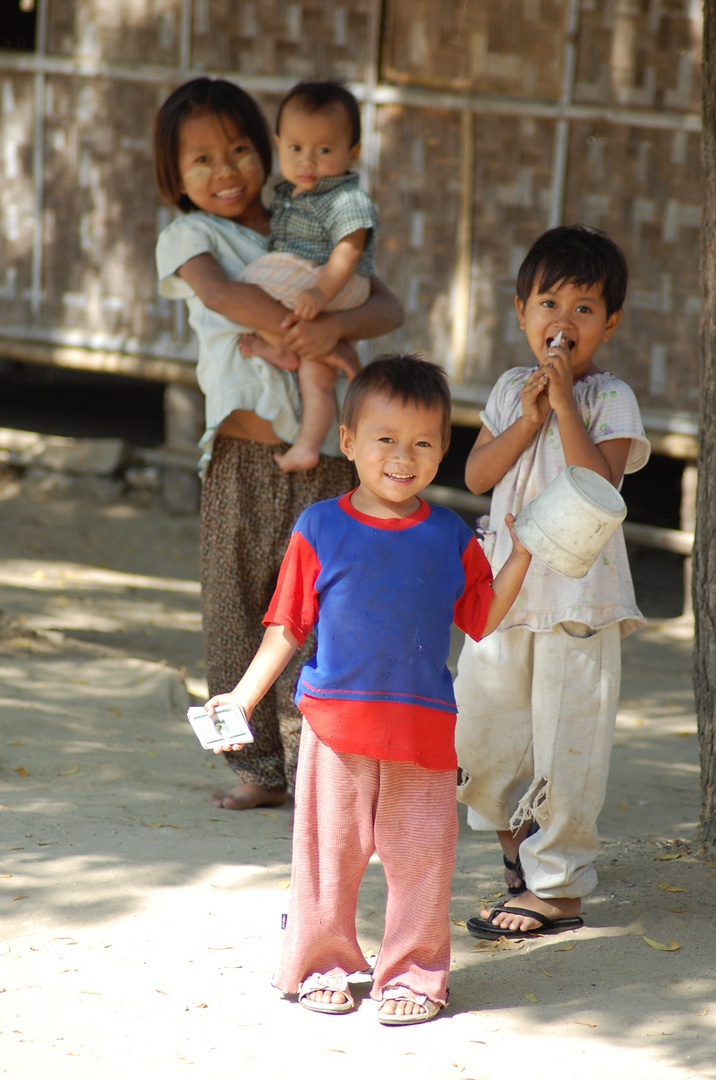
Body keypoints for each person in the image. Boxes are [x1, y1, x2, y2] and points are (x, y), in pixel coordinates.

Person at [203, 355, 532, 1024]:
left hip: (424, 736)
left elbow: (480, 618)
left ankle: (413, 975)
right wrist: (240, 697)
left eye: (422, 442)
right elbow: (285, 630)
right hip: (334, 733)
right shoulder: (319, 527)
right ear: (348, 441)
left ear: (443, 449)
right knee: (328, 860)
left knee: (422, 866)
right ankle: (321, 963)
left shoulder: (450, 537)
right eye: (385, 439)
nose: (403, 457)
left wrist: (521, 558)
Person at [153, 77, 403, 812]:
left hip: (325, 459)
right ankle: (260, 767)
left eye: (237, 151)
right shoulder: (189, 235)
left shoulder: (310, 218)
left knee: (326, 614)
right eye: (200, 160)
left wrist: (334, 326)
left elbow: (385, 304)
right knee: (237, 608)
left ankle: (321, 766)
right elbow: (225, 296)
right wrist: (305, 331)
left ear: (268, 155)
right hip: (238, 457)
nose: (223, 171)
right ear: (175, 177)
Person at [453, 225, 651, 939]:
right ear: (520, 312)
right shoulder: (511, 389)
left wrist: (565, 403)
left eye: (585, 309)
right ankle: (517, 858)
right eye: (549, 303)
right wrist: (529, 413)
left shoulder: (611, 398)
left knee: (569, 742)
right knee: (483, 733)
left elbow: (596, 481)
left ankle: (559, 887)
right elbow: (477, 476)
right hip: (504, 599)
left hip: (578, 603)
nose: (563, 323)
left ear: (611, 324)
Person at [237, 79, 380, 474]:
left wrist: (319, 292)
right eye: (296, 149)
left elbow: (349, 249)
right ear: (278, 142)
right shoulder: (290, 193)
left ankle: (283, 346)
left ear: (353, 153)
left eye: (324, 150)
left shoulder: (345, 197)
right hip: (313, 289)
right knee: (316, 379)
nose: (308, 162)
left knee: (246, 283)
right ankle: (308, 444)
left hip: (333, 282)